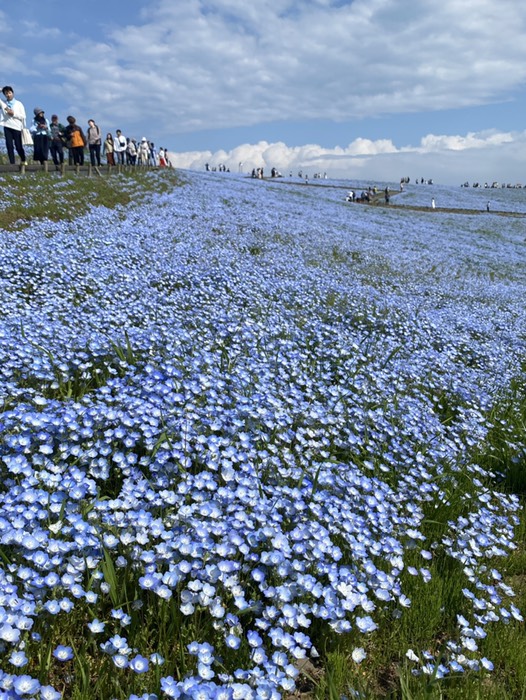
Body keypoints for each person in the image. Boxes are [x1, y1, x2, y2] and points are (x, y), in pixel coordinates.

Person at [0, 85, 28, 165]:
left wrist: (13, 114)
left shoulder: (19, 104)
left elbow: (23, 116)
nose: (8, 95)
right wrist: (2, 89)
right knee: (9, 146)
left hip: (17, 127)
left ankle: (23, 160)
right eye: (6, 93)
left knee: (18, 146)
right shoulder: (3, 103)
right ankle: (12, 163)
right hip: (7, 126)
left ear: (13, 93)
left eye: (9, 92)